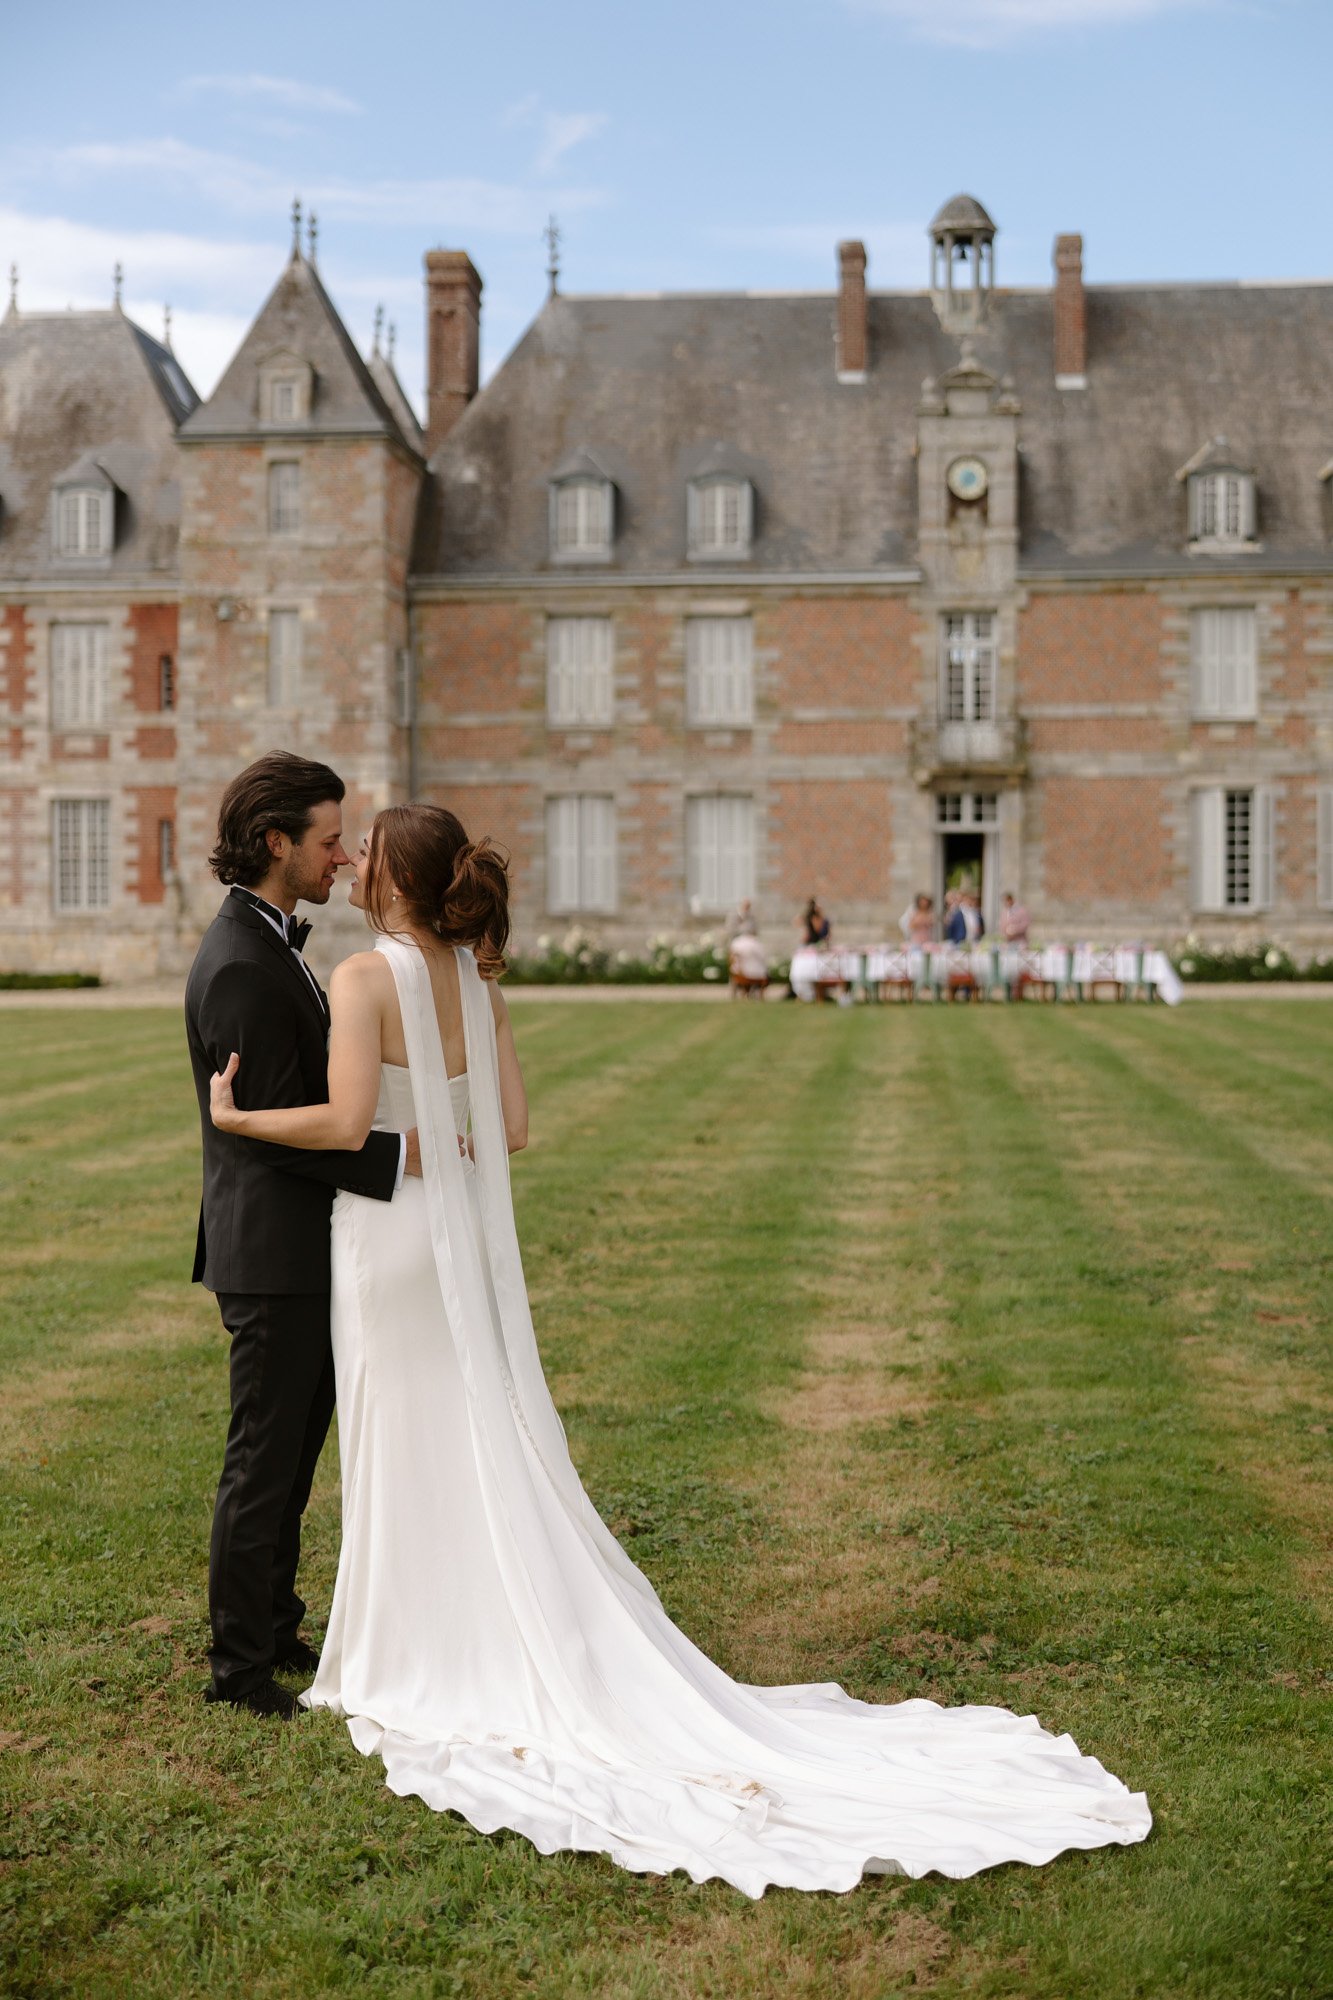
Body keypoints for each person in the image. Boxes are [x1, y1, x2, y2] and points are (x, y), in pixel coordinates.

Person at [206, 802, 1151, 1894]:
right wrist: (443, 1137)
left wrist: (239, 1120)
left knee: (398, 1428)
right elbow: (512, 1128)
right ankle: (454, 1623)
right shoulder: (477, 981)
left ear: (397, 882)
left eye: (367, 849)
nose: (353, 858)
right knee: (464, 1421)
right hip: (447, 1231)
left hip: (386, 1239)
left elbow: (342, 1123)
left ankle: (406, 1641)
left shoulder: (369, 976)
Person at [185, 753, 419, 1721]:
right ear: (276, 841)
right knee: (263, 1462)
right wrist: (402, 1158)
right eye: (329, 839)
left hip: (298, 1249)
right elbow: (276, 1130)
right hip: (271, 1254)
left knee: (290, 1461)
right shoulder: (243, 962)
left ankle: (276, 1626)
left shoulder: (268, 942)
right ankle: (239, 1669)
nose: (343, 855)